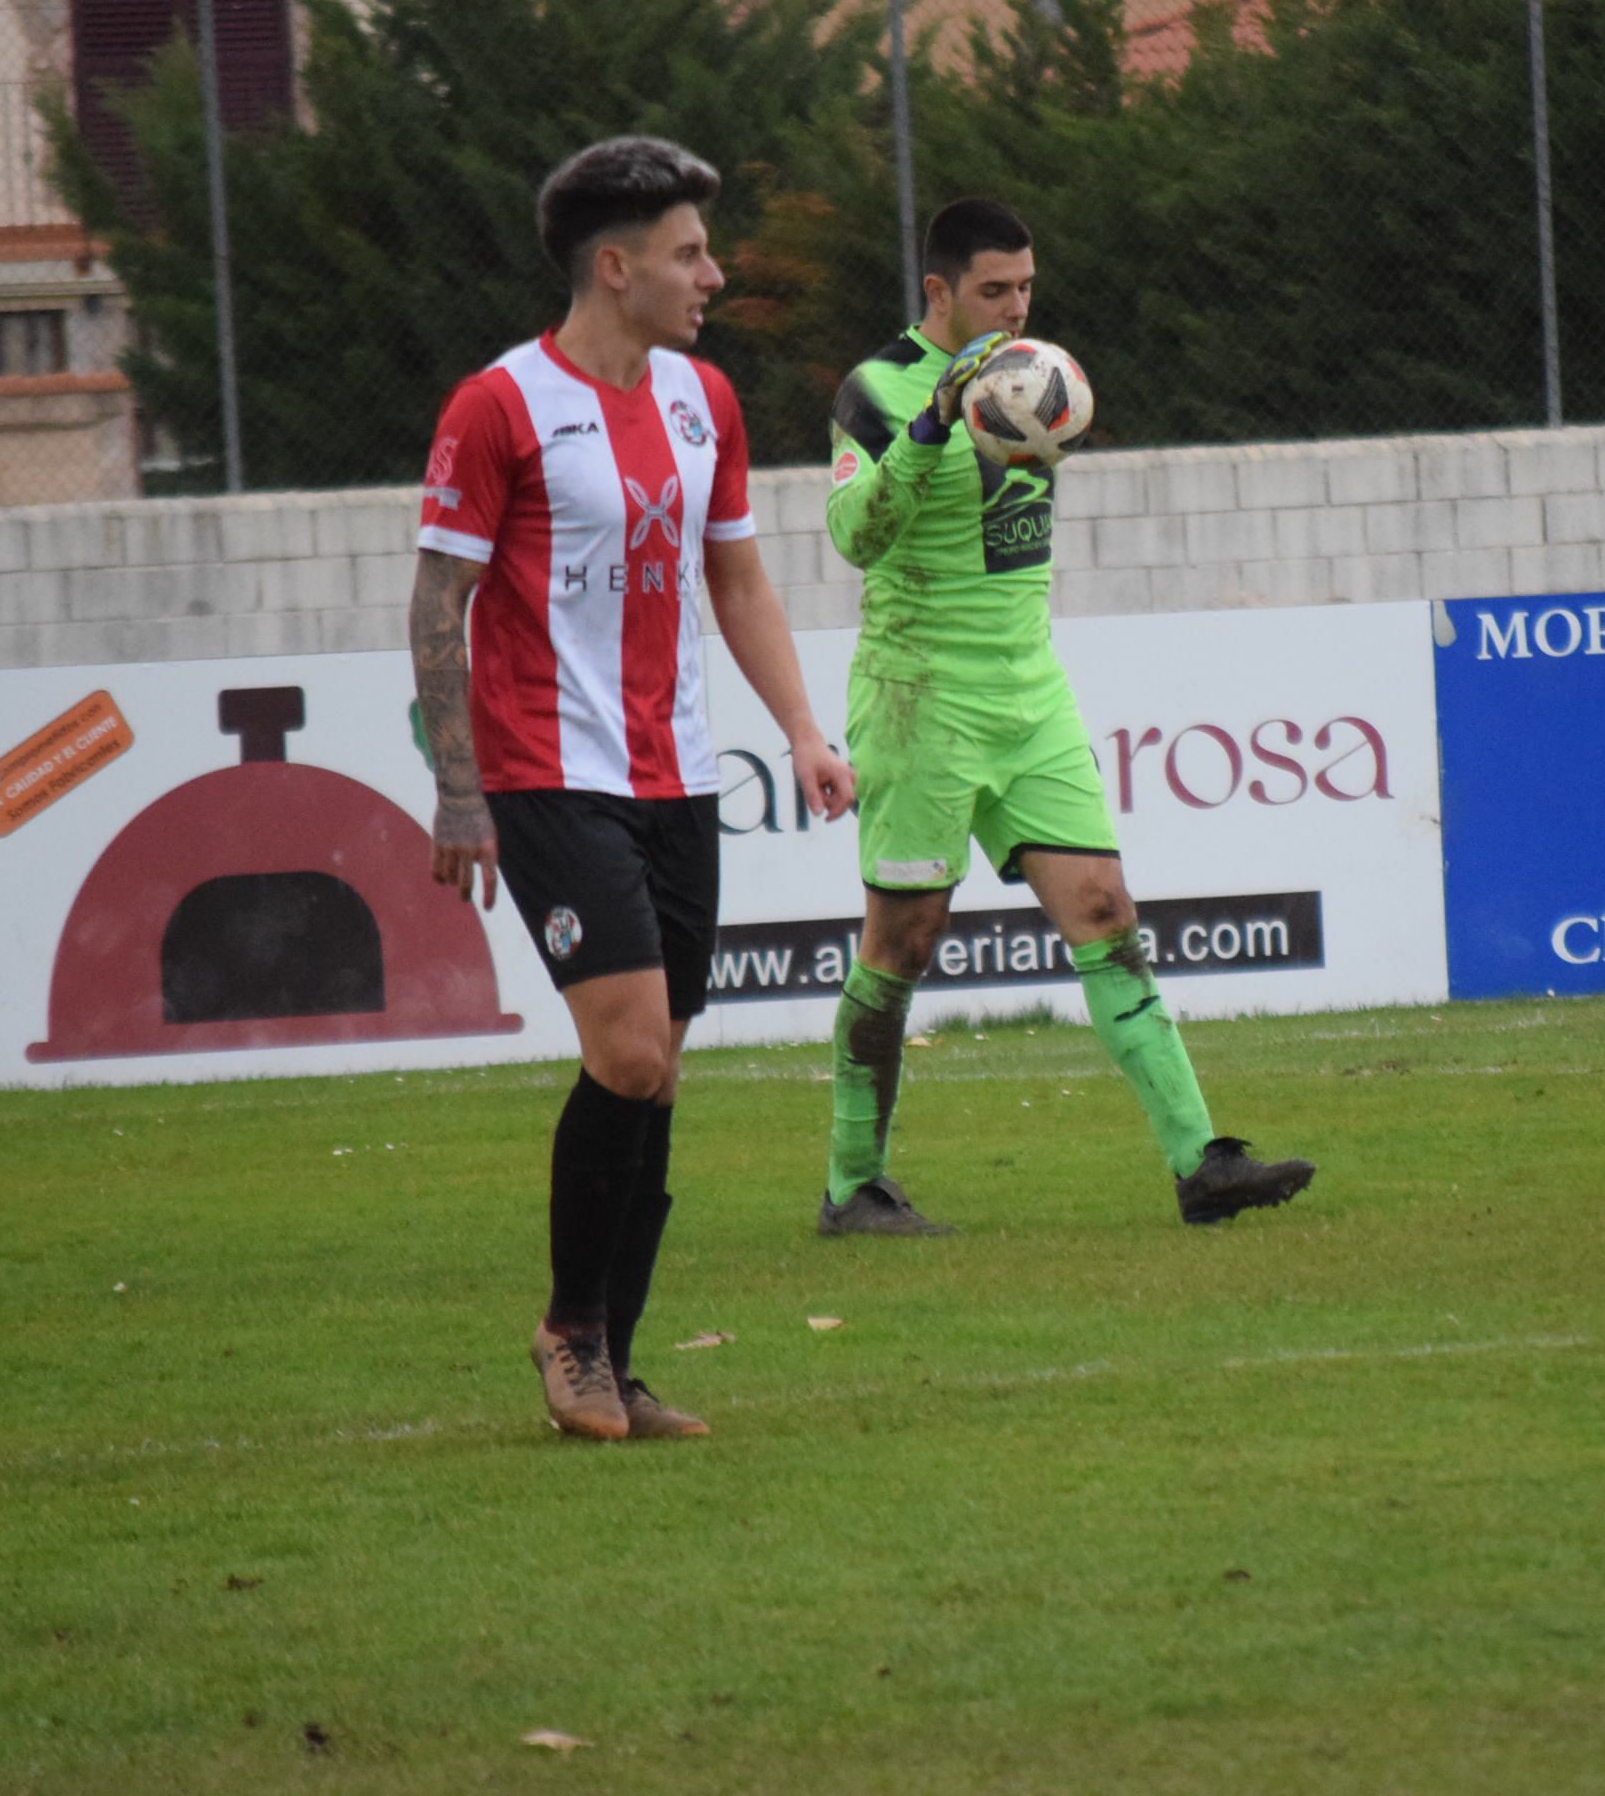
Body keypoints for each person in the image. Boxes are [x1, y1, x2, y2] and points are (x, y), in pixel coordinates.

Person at [410, 135, 853, 1439]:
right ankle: (570, 1330)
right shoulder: (496, 407)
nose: (710, 273)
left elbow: (737, 579)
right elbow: (442, 599)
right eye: (688, 252)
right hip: (548, 774)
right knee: (630, 1049)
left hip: (677, 783)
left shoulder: (703, 400)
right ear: (616, 267)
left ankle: (619, 1354)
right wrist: (456, 788)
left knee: (658, 1072)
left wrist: (804, 732)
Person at [815, 196, 1315, 1236]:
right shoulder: (876, 390)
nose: (1014, 308)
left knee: (1105, 910)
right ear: (939, 291)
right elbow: (854, 534)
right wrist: (933, 424)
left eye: (1026, 288)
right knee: (901, 943)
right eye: (993, 291)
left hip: (1027, 689)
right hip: (918, 697)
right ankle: (852, 1182)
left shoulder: (1038, 374)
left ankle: (1199, 1160)